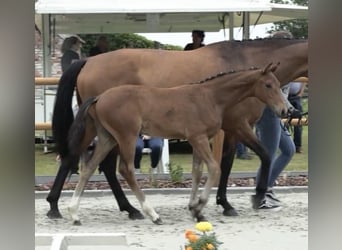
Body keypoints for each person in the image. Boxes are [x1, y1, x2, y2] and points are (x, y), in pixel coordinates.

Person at [255, 82, 302, 210]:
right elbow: (275, 90)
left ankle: (267, 188)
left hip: (276, 111)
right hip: (269, 110)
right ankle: (260, 196)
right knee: (269, 154)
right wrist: (291, 109)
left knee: (289, 150)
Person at [288, 80, 307, 153]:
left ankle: (297, 146)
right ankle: (288, 146)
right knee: (284, 124)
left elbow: (304, 80)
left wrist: (301, 93)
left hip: (296, 97)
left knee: (299, 123)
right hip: (285, 97)